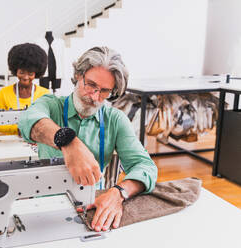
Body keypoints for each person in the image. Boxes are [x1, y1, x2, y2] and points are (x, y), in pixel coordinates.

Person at [18, 46, 157, 232]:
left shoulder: (115, 120)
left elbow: (145, 166)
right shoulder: (50, 105)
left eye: (105, 91)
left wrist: (119, 193)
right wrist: (68, 142)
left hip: (92, 203)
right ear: (78, 75)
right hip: (47, 204)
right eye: (90, 84)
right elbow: (27, 121)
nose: (94, 96)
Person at [0, 43, 50, 135]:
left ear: (36, 73)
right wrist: (19, 129)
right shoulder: (4, 93)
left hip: (37, 142)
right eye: (21, 72)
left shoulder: (44, 94)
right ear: (15, 70)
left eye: (30, 74)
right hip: (11, 143)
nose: (25, 77)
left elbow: (49, 122)